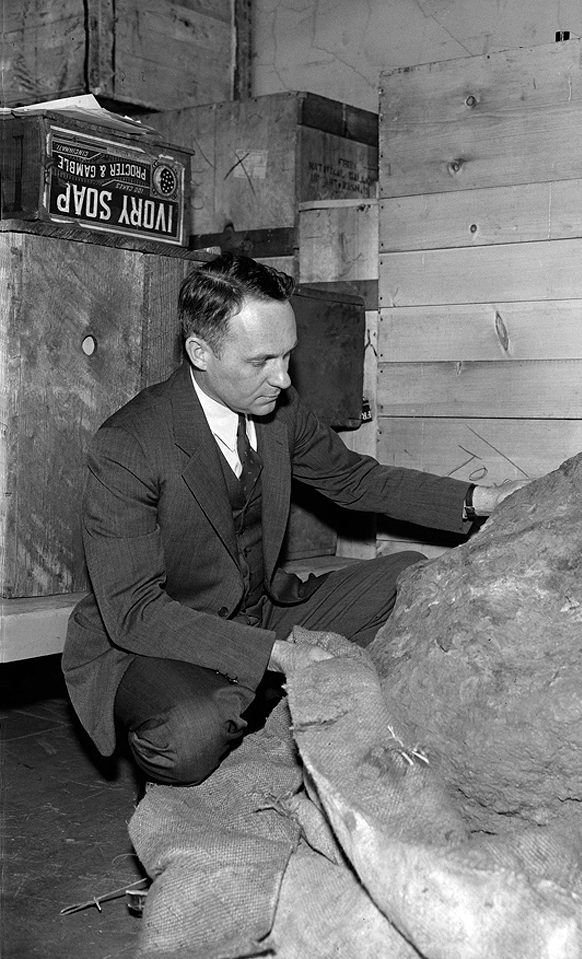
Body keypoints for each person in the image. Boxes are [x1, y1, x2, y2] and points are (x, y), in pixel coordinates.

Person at [62, 252, 523, 787]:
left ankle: (262, 703)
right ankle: (247, 705)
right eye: (262, 361)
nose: (282, 379)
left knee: (412, 578)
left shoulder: (277, 409)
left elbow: (355, 480)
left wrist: (483, 499)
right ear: (200, 352)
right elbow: (137, 613)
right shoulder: (129, 444)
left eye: (288, 357)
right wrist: (282, 657)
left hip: (259, 612)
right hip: (162, 639)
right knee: (186, 736)